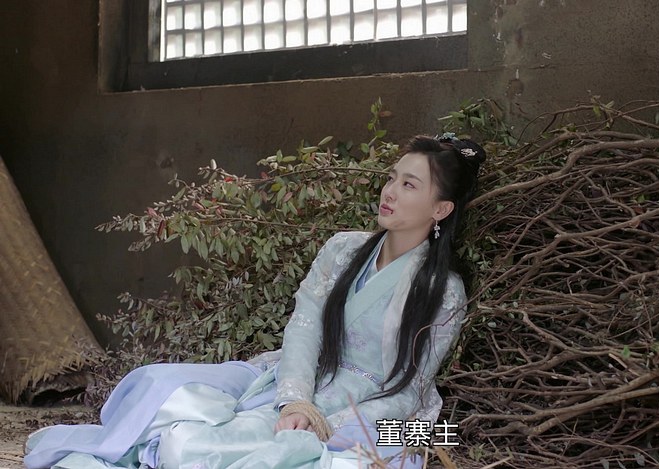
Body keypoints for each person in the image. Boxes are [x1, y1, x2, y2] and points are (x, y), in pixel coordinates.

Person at [24, 135, 486, 469]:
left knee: (282, 452)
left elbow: (410, 389)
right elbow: (305, 326)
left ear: (440, 209)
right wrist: (295, 402)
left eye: (409, 185)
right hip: (302, 376)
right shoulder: (344, 249)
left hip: (377, 411)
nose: (389, 192)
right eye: (392, 178)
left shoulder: (444, 292)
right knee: (161, 391)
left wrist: (328, 421)